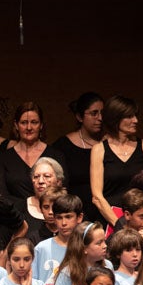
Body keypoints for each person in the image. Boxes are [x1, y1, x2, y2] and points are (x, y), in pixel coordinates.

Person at [90, 94, 143, 226]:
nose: (135, 120)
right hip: (109, 220)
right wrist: (120, 225)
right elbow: (97, 197)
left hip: (140, 221)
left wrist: (138, 221)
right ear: (116, 119)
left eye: (136, 115)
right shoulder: (99, 150)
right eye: (129, 116)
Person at [47, 91, 104, 221]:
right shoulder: (63, 146)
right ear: (79, 117)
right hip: (73, 214)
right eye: (94, 113)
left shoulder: (107, 146)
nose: (100, 118)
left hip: (103, 213)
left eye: (102, 113)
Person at [0, 101, 48, 204]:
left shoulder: (56, 156)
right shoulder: (3, 159)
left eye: (34, 122)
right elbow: (0, 196)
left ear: (41, 125)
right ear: (16, 125)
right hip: (14, 217)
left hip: (50, 216)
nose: (29, 128)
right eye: (24, 122)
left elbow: (61, 193)